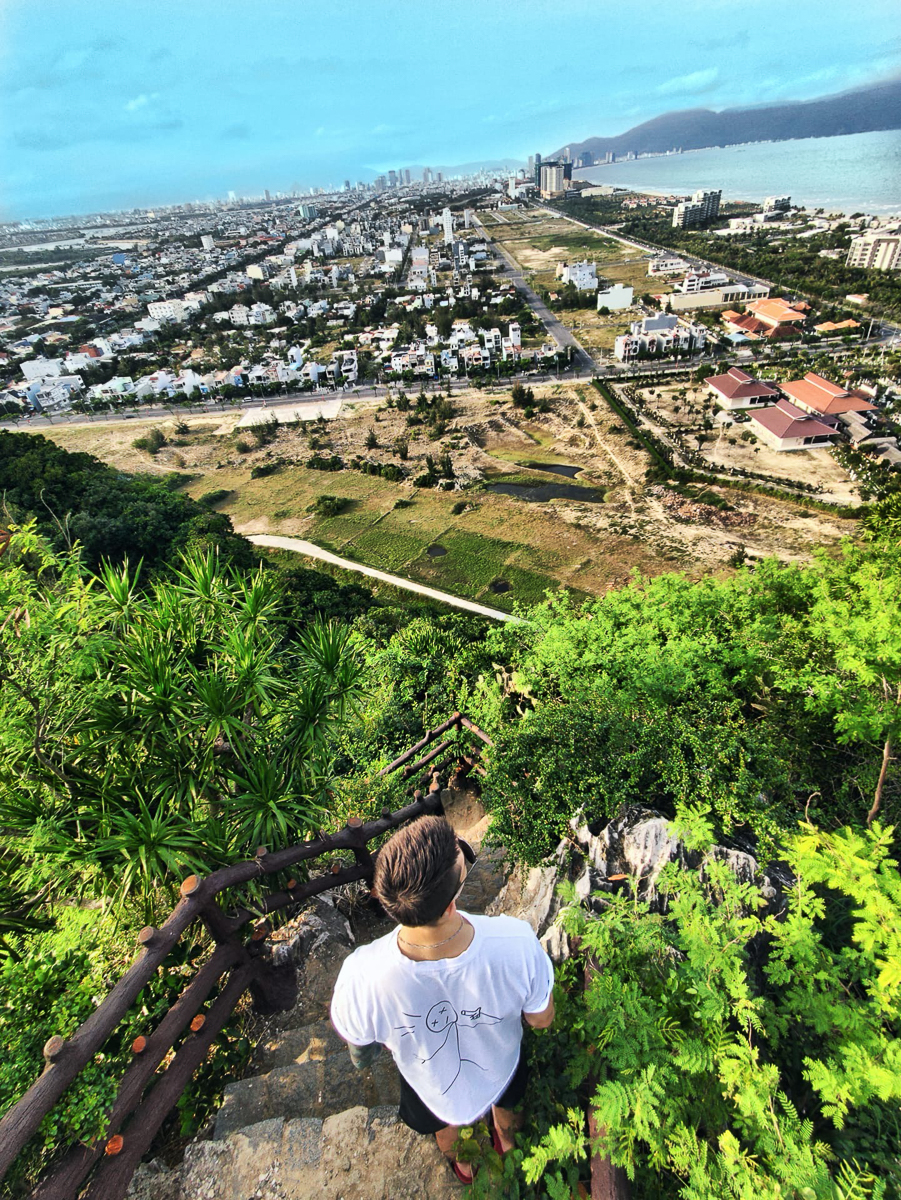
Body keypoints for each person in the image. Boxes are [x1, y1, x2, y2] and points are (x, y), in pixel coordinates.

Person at [330, 815, 555, 1184]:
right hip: (502, 1065)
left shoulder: (362, 973)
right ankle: (510, 1148)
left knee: (442, 1123)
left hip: (428, 1085)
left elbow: (361, 1054)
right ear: (450, 905)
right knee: (509, 1103)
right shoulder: (514, 942)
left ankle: (466, 1166)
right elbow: (540, 1019)